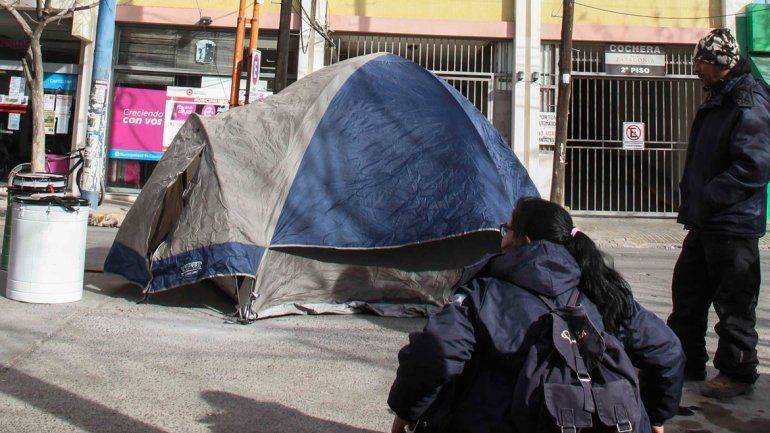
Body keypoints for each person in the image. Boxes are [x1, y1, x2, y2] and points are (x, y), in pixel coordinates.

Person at [388, 197, 684, 433]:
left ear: (525, 241)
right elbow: (667, 351)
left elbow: (433, 356)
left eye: (506, 231)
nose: (501, 239)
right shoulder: (603, 290)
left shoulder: (484, 292)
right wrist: (655, 416)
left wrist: (405, 412)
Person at [667, 28, 770, 399]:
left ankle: (738, 372)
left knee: (734, 300)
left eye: (701, 62)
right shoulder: (720, 96)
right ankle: (686, 360)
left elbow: (754, 166)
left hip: (732, 222)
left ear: (721, 64)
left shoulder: (747, 100)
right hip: (707, 221)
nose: (695, 68)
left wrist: (710, 195)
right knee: (688, 292)